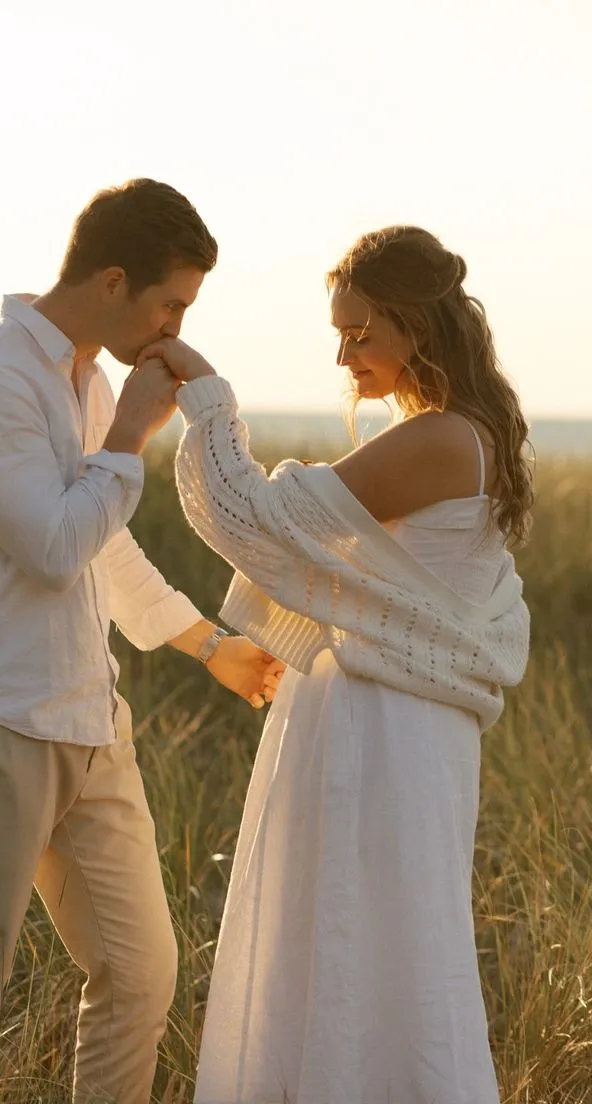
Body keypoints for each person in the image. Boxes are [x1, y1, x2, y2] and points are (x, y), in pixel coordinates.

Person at [0, 178, 282, 1104]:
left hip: (91, 727)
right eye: (172, 303)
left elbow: (106, 542)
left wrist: (206, 642)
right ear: (114, 281)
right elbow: (58, 547)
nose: (178, 325)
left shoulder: (91, 380)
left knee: (142, 975)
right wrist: (135, 433)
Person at [137, 225, 533, 1104]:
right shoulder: (469, 434)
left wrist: (208, 401)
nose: (345, 352)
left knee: (358, 945)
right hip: (398, 727)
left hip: (380, 730)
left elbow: (259, 520)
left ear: (416, 326)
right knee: (377, 946)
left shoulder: (438, 440)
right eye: (340, 332)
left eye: (361, 332)